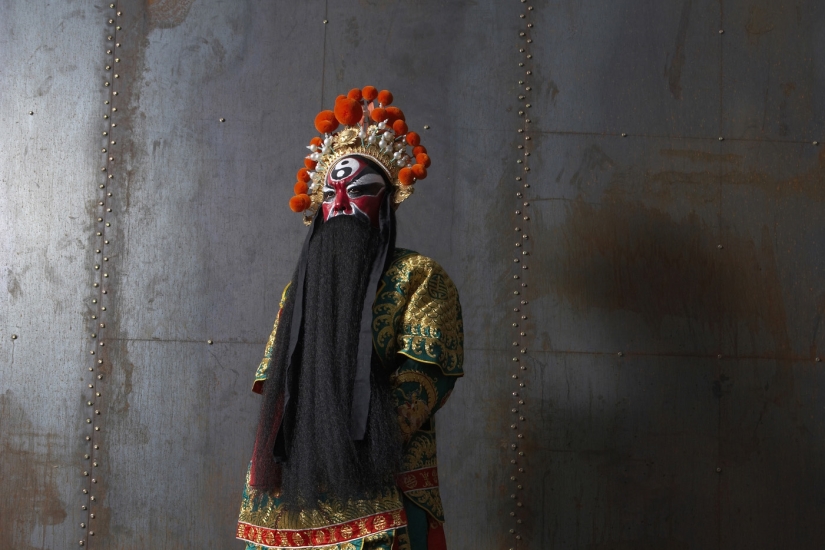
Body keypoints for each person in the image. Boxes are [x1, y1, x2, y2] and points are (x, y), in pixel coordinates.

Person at [237, 86, 464, 550]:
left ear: (388, 200)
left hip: (379, 474)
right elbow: (276, 381)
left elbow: (425, 378)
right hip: (294, 478)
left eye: (358, 190)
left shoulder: (418, 276)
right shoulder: (297, 291)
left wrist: (343, 444)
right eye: (330, 193)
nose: (340, 203)